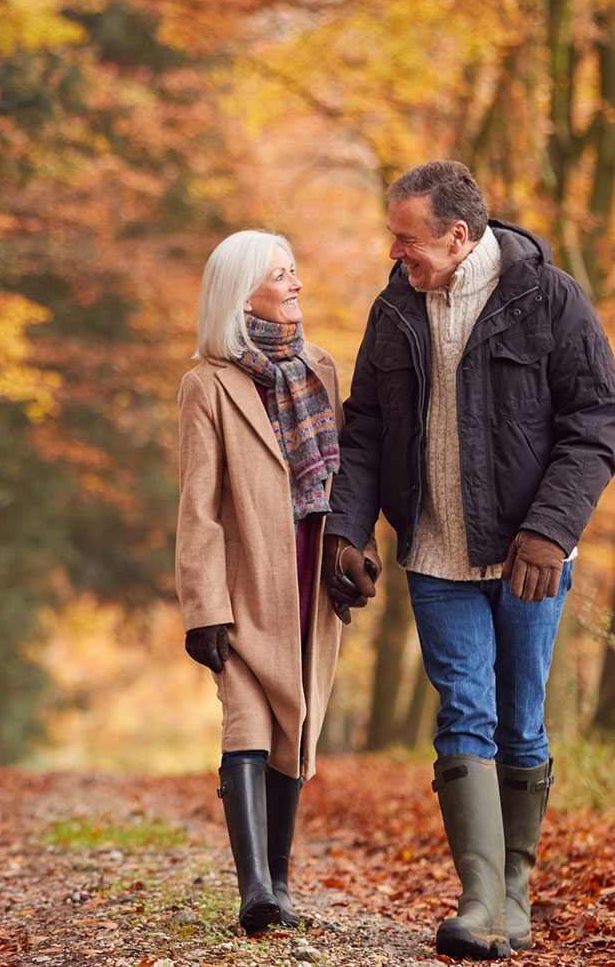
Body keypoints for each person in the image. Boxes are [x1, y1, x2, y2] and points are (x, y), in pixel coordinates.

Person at [323, 160, 615, 959]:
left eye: (407, 237)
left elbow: (597, 421)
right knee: (464, 708)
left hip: (530, 556)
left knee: (521, 714)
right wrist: (347, 531)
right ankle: (480, 895)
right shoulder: (393, 310)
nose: (395, 252)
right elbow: (363, 431)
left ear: (458, 236)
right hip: (434, 553)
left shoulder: (549, 300)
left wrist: (552, 529)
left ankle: (515, 893)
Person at [175, 230, 373, 935]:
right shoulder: (208, 384)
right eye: (280, 274)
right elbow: (199, 506)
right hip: (246, 582)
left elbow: (344, 476)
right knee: (248, 720)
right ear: (241, 292)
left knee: (297, 727)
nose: (295, 283)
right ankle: (256, 887)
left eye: (294, 271)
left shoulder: (320, 366)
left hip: (311, 575)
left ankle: (282, 881)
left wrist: (356, 552)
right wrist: (203, 606)